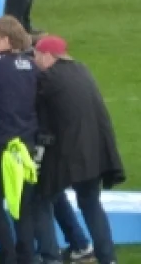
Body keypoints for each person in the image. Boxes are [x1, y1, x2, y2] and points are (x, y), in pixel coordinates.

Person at [32, 36, 124, 264]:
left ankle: (50, 257)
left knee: (41, 198)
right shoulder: (82, 70)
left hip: (66, 154)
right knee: (90, 203)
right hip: (93, 153)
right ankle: (105, 257)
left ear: (47, 55)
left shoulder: (48, 78)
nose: (34, 61)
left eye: (36, 56)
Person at [0, 15, 39, 264]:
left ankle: (8, 256)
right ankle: (26, 257)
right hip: (27, 148)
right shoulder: (32, 65)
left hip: (2, 148)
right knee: (23, 207)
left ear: (6, 40)